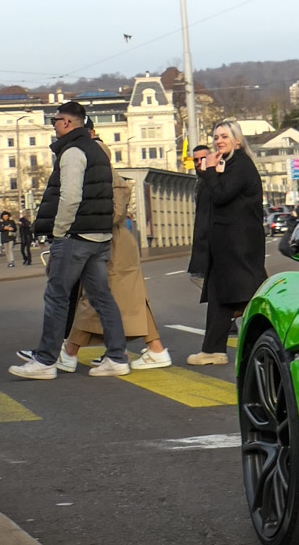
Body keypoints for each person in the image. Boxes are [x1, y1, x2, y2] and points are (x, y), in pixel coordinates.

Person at [9, 101, 128, 379]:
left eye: (55, 120)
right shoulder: (96, 150)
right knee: (102, 298)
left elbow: (71, 196)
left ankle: (45, 361)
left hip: (76, 236)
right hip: (98, 236)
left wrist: (60, 231)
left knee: (57, 296)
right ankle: (116, 357)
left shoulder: (73, 152)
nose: (53, 125)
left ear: (66, 122)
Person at [60, 132, 171, 370]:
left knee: (95, 297)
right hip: (113, 243)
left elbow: (113, 215)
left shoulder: (108, 180)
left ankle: (71, 351)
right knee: (121, 300)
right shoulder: (108, 178)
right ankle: (151, 349)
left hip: (112, 244)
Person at [187, 121, 268, 365]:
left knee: (247, 292)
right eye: (216, 137)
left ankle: (273, 335)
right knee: (220, 295)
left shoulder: (240, 165)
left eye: (224, 136)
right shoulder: (230, 164)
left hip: (238, 243)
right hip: (228, 242)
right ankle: (212, 349)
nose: (219, 141)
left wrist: (210, 170)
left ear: (238, 140)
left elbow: (221, 195)